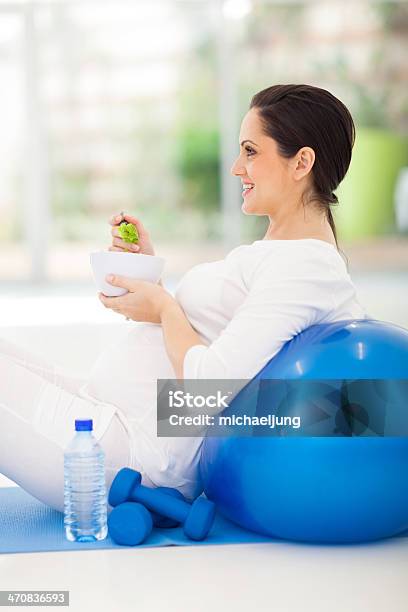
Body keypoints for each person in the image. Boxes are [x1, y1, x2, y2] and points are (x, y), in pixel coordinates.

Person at [0, 84, 366, 514]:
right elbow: (214, 339)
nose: (236, 167)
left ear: (301, 162)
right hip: (108, 413)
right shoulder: (280, 255)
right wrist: (153, 288)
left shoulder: (305, 268)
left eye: (250, 151)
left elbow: (208, 386)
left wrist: (164, 308)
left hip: (132, 457)